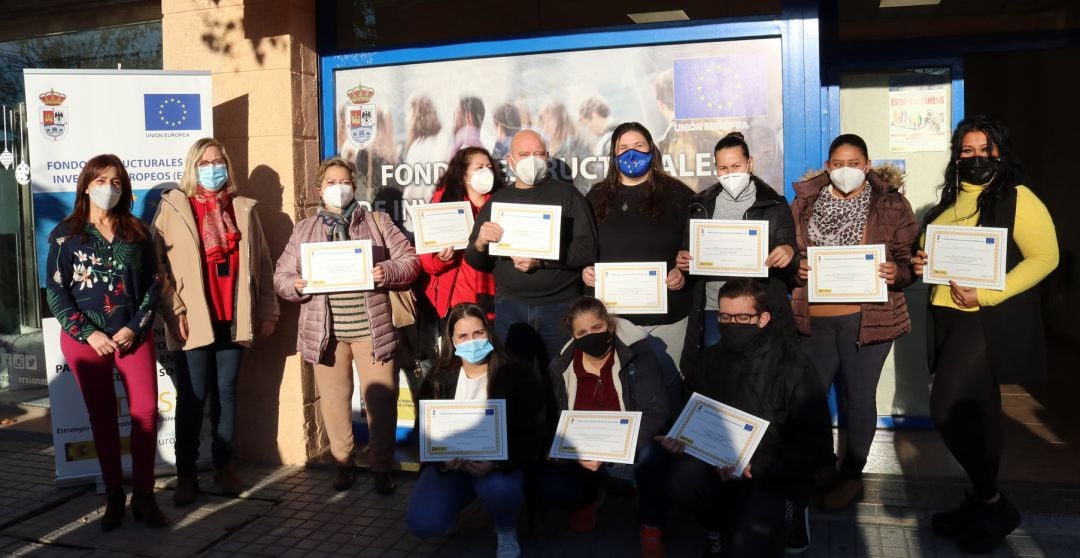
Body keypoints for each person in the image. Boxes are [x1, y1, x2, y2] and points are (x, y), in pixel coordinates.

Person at [912, 116, 1058, 553]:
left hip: (984, 319)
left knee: (946, 407)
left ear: (1001, 153)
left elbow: (1044, 258)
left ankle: (992, 500)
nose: (976, 159)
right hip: (946, 317)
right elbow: (930, 258)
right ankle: (981, 502)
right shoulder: (947, 204)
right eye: (967, 151)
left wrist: (989, 296)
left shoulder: (1018, 198)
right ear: (957, 157)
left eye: (985, 150)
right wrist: (922, 265)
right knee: (981, 413)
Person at [273, 156, 420, 494]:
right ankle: (343, 462)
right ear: (319, 189)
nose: (338, 188)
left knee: (381, 402)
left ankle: (381, 466)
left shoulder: (377, 221)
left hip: (373, 329)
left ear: (354, 187)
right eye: (330, 182)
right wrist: (296, 284)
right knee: (335, 401)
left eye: (344, 182)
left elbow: (409, 261)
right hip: (328, 334)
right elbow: (281, 276)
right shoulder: (304, 229)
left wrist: (388, 272)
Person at [790, 133, 918, 511]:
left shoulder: (891, 204)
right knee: (809, 399)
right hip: (815, 318)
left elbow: (909, 258)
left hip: (869, 318)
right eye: (838, 164)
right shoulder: (803, 203)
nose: (846, 170)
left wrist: (901, 272)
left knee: (858, 398)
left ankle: (851, 477)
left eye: (854, 163)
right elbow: (790, 253)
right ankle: (824, 469)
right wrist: (795, 271)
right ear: (828, 167)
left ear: (867, 165)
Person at [662, 279, 832, 557]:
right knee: (680, 479)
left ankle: (793, 512)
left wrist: (757, 463)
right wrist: (681, 439)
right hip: (717, 464)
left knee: (746, 546)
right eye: (725, 316)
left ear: (763, 318)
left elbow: (817, 445)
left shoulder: (793, 366)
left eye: (743, 317)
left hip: (769, 472)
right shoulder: (709, 361)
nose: (732, 324)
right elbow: (692, 413)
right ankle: (714, 525)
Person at [153, 137, 279, 506]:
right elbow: (157, 267)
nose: (212, 167)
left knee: (226, 394)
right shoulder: (174, 207)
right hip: (194, 320)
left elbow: (264, 264)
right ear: (193, 167)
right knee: (193, 398)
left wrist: (268, 309)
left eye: (218, 160)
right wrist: (174, 309)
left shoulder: (243, 208)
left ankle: (224, 466)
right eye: (204, 161)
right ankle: (186, 475)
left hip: (233, 318)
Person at [45, 154, 167, 530]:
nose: (108, 188)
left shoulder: (138, 232)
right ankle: (115, 494)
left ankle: (144, 496)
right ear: (86, 185)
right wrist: (88, 332)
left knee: (146, 412)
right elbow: (55, 290)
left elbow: (153, 283)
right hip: (87, 340)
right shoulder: (66, 234)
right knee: (102, 418)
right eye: (101, 181)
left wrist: (135, 325)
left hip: (133, 334)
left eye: (116, 182)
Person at [406, 303, 545, 558]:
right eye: (463, 336)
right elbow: (422, 430)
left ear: (489, 333)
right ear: (452, 341)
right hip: (452, 466)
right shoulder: (437, 378)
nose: (472, 341)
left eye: (478, 333)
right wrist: (441, 460)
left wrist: (497, 462)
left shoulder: (516, 374)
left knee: (501, 490)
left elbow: (533, 432)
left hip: (496, 466)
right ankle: (452, 508)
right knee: (423, 523)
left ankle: (505, 528)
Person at [541, 297, 670, 558]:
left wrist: (613, 448)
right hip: (583, 447)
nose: (590, 336)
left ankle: (651, 525)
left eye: (597, 328)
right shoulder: (561, 366)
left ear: (610, 326)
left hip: (629, 441)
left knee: (652, 458)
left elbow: (657, 411)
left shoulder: (638, 353)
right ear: (574, 336)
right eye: (582, 332)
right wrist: (557, 450)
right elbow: (553, 418)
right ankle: (589, 498)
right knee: (550, 485)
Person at [465, 129, 598, 374]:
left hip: (560, 306)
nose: (532, 159)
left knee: (560, 380)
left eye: (538, 153)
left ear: (547, 157)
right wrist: (481, 242)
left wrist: (543, 261)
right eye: (524, 154)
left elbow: (587, 250)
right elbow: (475, 260)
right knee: (513, 381)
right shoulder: (497, 202)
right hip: (510, 309)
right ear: (510, 160)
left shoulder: (569, 197)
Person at [581, 122, 692, 401]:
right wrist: (585, 271)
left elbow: (694, 248)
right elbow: (582, 247)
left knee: (669, 388)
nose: (632, 153)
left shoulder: (679, 195)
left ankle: (668, 444)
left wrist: (684, 272)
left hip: (669, 317)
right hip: (616, 317)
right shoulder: (595, 198)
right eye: (623, 148)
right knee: (622, 391)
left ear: (652, 151)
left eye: (639, 146)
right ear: (613, 155)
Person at [677, 131, 800, 374]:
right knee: (720, 382)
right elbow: (687, 253)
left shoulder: (774, 204)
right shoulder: (700, 205)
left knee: (763, 380)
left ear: (750, 164)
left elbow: (791, 256)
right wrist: (684, 261)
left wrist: (787, 252)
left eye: (736, 165)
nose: (730, 173)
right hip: (715, 311)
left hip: (758, 312)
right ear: (715, 168)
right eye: (723, 167)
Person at [419, 147, 507, 324]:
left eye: (489, 166)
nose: (486, 171)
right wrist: (442, 259)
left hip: (498, 301)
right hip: (457, 303)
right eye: (479, 167)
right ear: (464, 175)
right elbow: (428, 264)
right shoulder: (443, 205)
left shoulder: (503, 204)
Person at [538, 101, 592, 194]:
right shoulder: (555, 146)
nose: (545, 128)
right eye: (543, 123)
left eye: (548, 121)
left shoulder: (572, 148)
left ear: (560, 120)